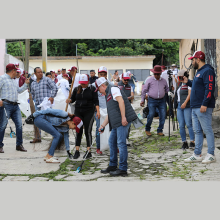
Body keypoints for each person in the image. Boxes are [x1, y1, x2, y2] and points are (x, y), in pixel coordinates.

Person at [95, 77, 137, 176]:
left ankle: (123, 169)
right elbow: (111, 113)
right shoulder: (107, 95)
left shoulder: (113, 89)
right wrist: (102, 125)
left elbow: (121, 102)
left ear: (103, 86)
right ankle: (113, 165)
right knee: (111, 142)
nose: (99, 92)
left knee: (121, 143)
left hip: (122, 121)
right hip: (116, 122)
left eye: (99, 89)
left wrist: (123, 118)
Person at [182, 51, 216, 164]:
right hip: (195, 106)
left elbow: (209, 88)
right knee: (197, 131)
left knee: (207, 130)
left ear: (198, 59)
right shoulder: (199, 72)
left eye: (193, 59)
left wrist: (205, 103)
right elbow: (198, 87)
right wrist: (188, 82)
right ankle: (197, 154)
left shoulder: (208, 70)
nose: (192, 62)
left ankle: (211, 154)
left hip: (202, 106)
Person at [66, 74, 99, 159]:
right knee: (78, 130)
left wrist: (98, 111)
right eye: (82, 83)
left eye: (84, 83)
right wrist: (69, 100)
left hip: (89, 112)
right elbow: (73, 99)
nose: (83, 85)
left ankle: (88, 151)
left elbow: (96, 101)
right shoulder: (77, 89)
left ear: (88, 82)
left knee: (87, 131)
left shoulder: (92, 89)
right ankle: (77, 151)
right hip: (78, 112)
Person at [0, 63, 30, 153]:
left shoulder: (14, 80)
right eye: (16, 71)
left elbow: (19, 91)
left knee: (19, 125)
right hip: (6, 105)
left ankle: (19, 145)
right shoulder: (2, 78)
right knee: (2, 126)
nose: (17, 73)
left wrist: (25, 84)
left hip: (15, 105)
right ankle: (0, 145)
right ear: (12, 71)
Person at [30, 67, 58, 143]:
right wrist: (30, 100)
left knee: (50, 121)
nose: (40, 73)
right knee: (37, 121)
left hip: (46, 105)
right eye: (38, 72)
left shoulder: (47, 80)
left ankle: (55, 137)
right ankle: (37, 137)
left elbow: (55, 88)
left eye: (41, 72)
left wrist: (52, 97)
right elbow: (32, 94)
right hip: (38, 105)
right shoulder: (33, 83)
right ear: (35, 74)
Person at [140, 65, 169, 136]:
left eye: (158, 74)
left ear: (160, 74)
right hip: (152, 100)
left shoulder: (164, 81)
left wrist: (171, 89)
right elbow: (144, 90)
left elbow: (166, 90)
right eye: (155, 74)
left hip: (162, 100)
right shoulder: (149, 80)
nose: (156, 75)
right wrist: (142, 100)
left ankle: (160, 130)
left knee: (163, 115)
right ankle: (147, 129)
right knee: (151, 114)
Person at [174, 70, 195, 150]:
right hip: (180, 105)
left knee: (189, 124)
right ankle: (184, 142)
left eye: (180, 77)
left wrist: (185, 103)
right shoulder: (179, 84)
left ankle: (192, 142)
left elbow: (190, 94)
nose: (179, 78)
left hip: (187, 105)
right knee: (181, 125)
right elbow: (177, 95)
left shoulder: (189, 83)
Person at [118, 72, 134, 145]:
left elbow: (132, 96)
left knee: (128, 123)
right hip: (118, 107)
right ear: (121, 78)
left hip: (127, 107)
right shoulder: (117, 86)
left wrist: (128, 98)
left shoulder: (130, 86)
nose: (126, 81)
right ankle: (120, 138)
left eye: (127, 80)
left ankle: (126, 138)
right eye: (125, 80)